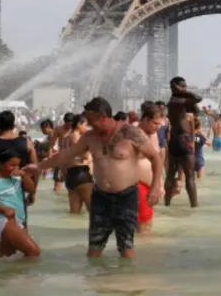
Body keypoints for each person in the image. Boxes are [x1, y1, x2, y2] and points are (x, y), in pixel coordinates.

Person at [24, 97, 163, 258]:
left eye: (91, 120)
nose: (89, 125)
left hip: (126, 196)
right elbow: (65, 155)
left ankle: (127, 281)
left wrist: (154, 187)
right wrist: (38, 166)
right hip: (100, 196)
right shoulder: (90, 137)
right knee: (94, 249)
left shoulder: (130, 133)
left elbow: (155, 158)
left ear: (103, 117)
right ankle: (96, 281)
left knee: (126, 249)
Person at [0, 111, 39, 235]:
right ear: (13, 125)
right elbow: (35, 169)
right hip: (19, 192)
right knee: (21, 230)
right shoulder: (27, 143)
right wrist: (32, 193)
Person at [0, 149, 40, 257]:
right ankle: (28, 274)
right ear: (1, 164)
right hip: (4, 221)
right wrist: (3, 209)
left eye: (18, 166)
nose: (15, 169)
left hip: (17, 222)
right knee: (34, 251)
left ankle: (8, 274)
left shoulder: (15, 179)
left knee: (7, 260)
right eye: (12, 165)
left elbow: (31, 190)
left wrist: (24, 176)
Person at [165, 76, 202, 207]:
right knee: (190, 175)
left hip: (175, 139)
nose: (185, 88)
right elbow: (198, 98)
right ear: (174, 86)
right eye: (182, 85)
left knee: (170, 174)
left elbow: (197, 110)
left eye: (185, 86)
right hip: (183, 139)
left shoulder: (174, 101)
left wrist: (190, 103)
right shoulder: (177, 100)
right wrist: (186, 93)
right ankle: (194, 206)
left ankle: (167, 204)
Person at [137, 105, 166, 233]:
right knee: (144, 225)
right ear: (146, 119)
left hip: (150, 186)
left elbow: (157, 161)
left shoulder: (153, 135)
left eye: (160, 124)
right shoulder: (134, 134)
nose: (158, 127)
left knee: (146, 225)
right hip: (137, 185)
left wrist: (160, 184)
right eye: (155, 123)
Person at [64, 114, 94, 214]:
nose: (87, 128)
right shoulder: (79, 138)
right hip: (82, 174)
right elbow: (86, 156)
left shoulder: (66, 137)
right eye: (85, 125)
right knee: (93, 211)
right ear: (79, 124)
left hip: (70, 175)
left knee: (74, 213)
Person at [48, 113, 75, 192]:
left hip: (73, 158)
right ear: (64, 122)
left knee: (73, 185)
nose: (69, 127)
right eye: (67, 125)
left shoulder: (76, 129)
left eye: (71, 125)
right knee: (57, 185)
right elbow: (51, 144)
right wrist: (49, 158)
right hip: (61, 157)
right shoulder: (58, 129)